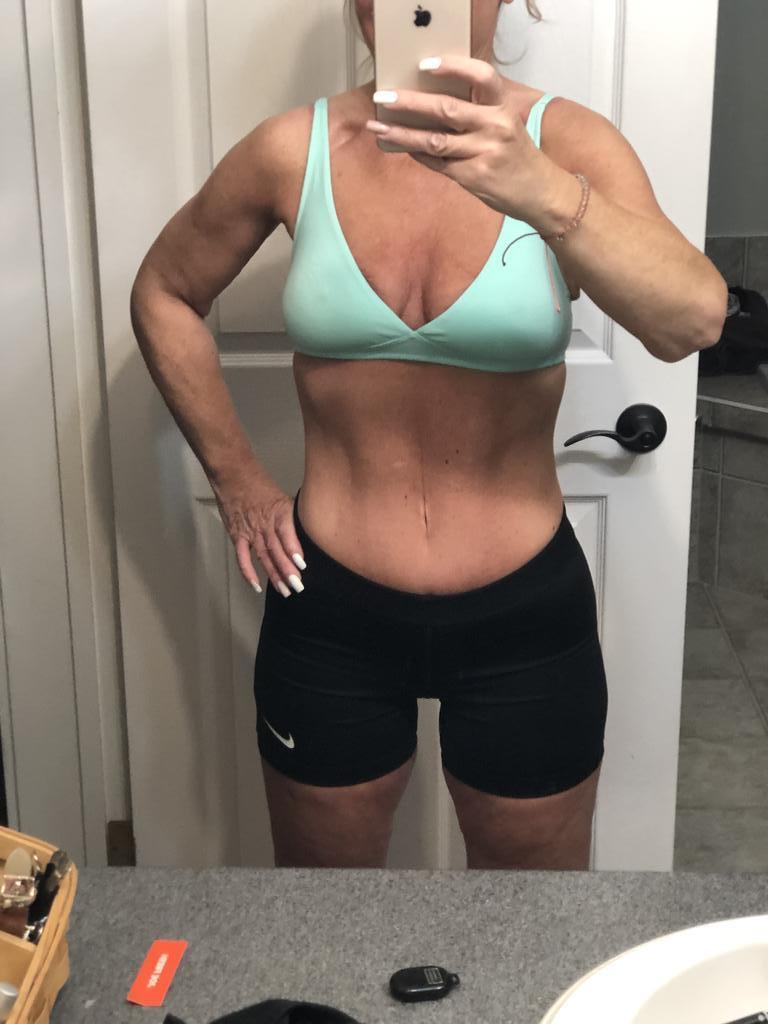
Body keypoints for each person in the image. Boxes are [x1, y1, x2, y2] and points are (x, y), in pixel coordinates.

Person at [130, 0, 729, 871]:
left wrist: (540, 189)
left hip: (523, 612)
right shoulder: (294, 149)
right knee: (325, 919)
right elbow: (165, 291)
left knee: (529, 926)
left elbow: (692, 320)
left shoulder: (567, 145)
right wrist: (237, 478)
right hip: (330, 610)